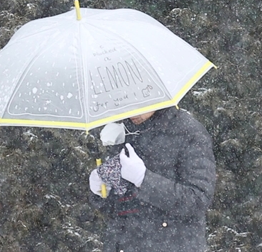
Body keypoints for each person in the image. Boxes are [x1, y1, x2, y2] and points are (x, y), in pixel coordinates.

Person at [89, 108, 216, 252]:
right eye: (128, 104)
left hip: (174, 244)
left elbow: (197, 199)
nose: (133, 113)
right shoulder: (122, 132)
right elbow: (118, 210)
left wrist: (144, 179)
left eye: (139, 104)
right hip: (123, 244)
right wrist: (101, 191)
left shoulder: (187, 132)